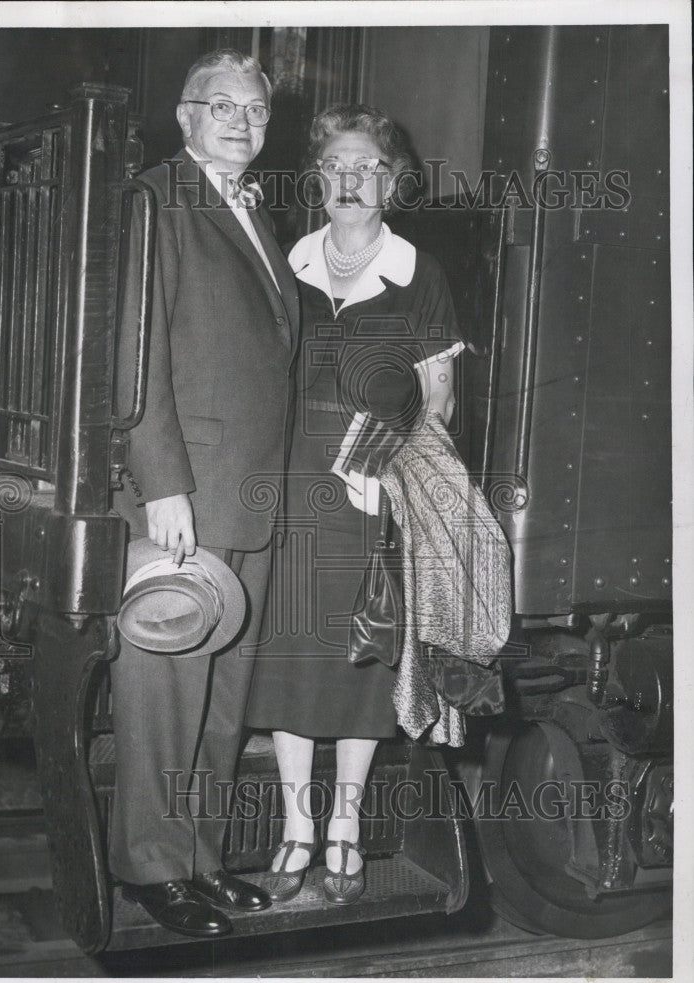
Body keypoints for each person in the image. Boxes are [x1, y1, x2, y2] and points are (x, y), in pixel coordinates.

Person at [246, 104, 464, 905]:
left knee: (357, 665)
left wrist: (380, 466)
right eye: (336, 164)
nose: (349, 179)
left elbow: (436, 402)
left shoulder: (420, 273)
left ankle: (345, 823)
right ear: (318, 178)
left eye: (367, 166)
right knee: (290, 665)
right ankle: (296, 827)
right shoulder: (284, 264)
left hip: (373, 496)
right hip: (291, 489)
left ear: (391, 182)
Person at [110, 49, 299, 937]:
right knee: (167, 687)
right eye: (220, 106)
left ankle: (201, 856)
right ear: (184, 116)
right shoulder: (156, 198)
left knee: (223, 697)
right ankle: (151, 865)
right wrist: (163, 486)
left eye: (256, 110)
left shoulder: (255, 211)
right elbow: (133, 358)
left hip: (253, 495)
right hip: (185, 495)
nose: (241, 121)